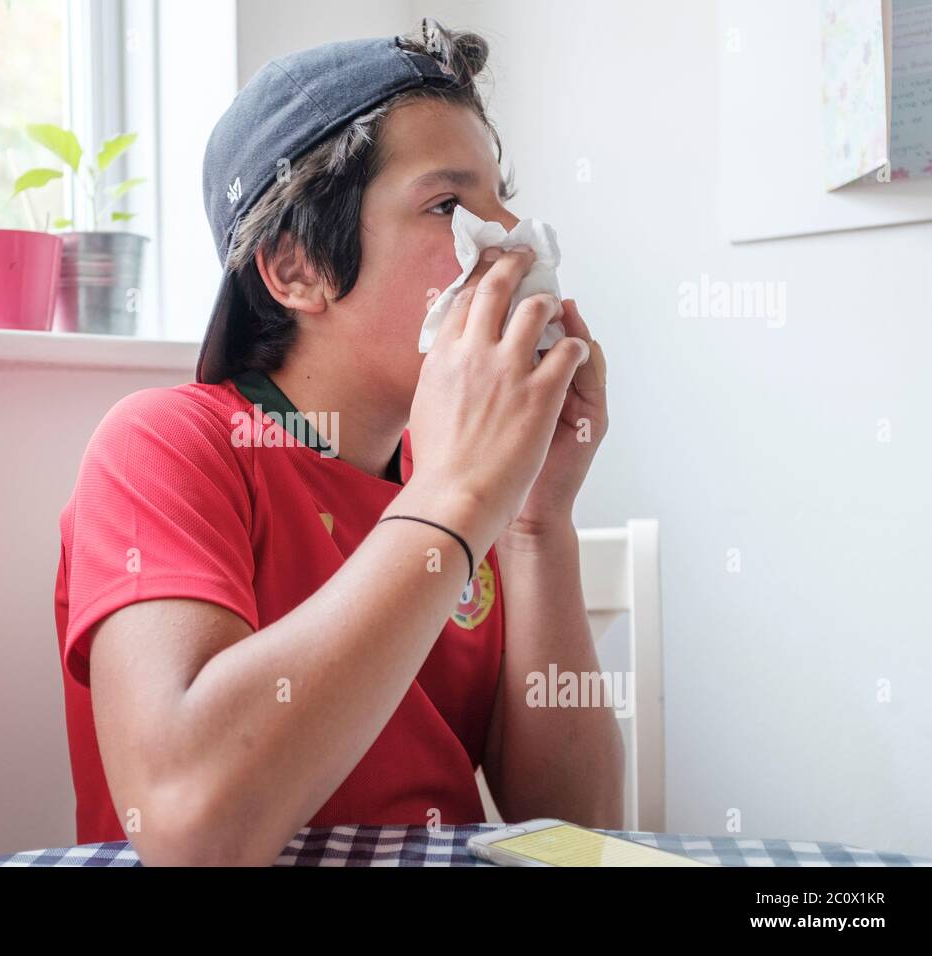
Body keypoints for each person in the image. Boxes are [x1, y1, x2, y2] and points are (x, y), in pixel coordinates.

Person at [53, 16, 617, 866]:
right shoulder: (164, 448)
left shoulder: (464, 479)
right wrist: (460, 500)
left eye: (506, 201)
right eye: (448, 206)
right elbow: (188, 823)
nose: (514, 245)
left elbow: (577, 831)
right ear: (296, 269)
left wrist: (538, 518)